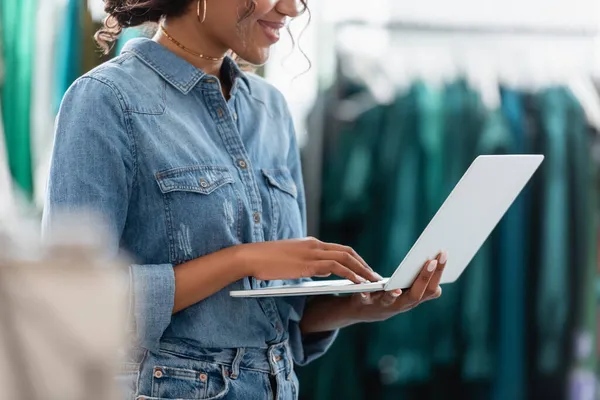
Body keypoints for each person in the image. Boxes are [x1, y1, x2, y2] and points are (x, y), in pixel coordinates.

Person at [42, 0, 447, 398]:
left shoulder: (271, 109)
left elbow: (272, 323)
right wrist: (243, 259)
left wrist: (361, 307)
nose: (291, 9)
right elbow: (73, 308)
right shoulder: (105, 99)